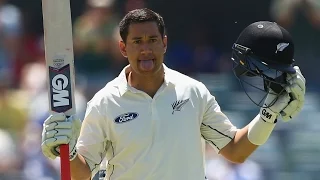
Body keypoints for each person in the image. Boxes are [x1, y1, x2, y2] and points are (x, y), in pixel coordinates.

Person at [41, 9, 306, 180]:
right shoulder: (104, 102)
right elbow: (82, 174)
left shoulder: (193, 91)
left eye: (152, 40)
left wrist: (269, 115)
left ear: (164, 43)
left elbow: (235, 151)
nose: (146, 49)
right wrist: (70, 151)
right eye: (137, 42)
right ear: (123, 48)